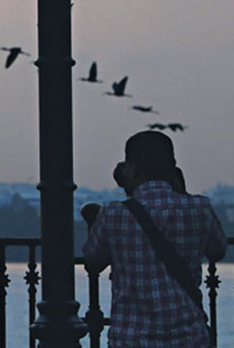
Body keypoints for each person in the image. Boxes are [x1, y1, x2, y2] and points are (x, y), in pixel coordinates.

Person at [83, 131, 226, 348]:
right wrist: (182, 192)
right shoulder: (199, 208)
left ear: (132, 168)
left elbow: (92, 260)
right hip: (189, 337)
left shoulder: (112, 214)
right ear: (172, 168)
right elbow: (218, 250)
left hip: (131, 338)